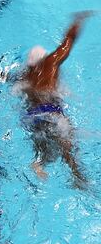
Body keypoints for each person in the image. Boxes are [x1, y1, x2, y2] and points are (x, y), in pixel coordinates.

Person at [17, 12, 92, 188]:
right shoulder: (51, 62)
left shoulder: (24, 75)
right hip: (51, 111)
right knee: (68, 146)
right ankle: (77, 177)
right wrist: (78, 20)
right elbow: (67, 43)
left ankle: (39, 162)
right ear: (43, 57)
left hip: (31, 116)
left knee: (42, 142)